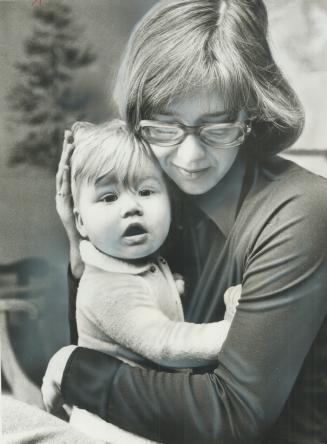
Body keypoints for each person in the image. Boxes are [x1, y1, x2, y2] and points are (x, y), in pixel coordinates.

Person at [42, 1, 327, 443]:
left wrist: (73, 368)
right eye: (166, 127)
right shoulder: (156, 199)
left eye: (218, 128)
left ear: (250, 116)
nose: (190, 159)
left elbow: (232, 415)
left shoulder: (301, 210)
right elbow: (123, 342)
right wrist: (85, 247)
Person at [67, 119, 240, 443]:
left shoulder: (139, 264)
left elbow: (153, 297)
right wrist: (235, 328)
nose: (131, 207)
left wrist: (174, 287)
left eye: (146, 191)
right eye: (108, 197)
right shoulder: (106, 286)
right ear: (81, 222)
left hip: (140, 418)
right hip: (110, 432)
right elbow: (165, 342)